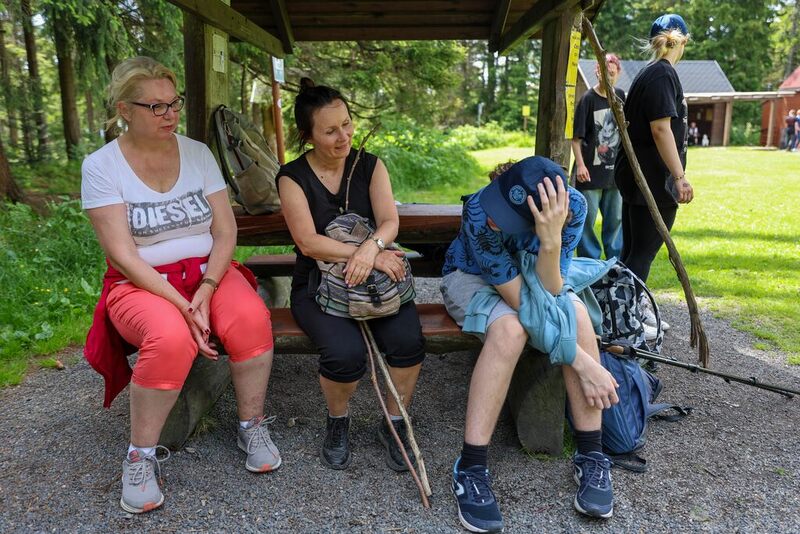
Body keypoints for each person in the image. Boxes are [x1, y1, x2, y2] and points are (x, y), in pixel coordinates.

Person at [81, 57, 279, 514]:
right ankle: (140, 456)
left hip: (209, 271)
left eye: (174, 104)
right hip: (142, 283)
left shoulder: (197, 153)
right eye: (155, 106)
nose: (170, 114)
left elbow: (226, 231)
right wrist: (183, 305)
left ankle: (252, 424)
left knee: (251, 318)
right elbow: (125, 256)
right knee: (169, 337)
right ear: (124, 110)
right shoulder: (102, 166)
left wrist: (207, 289)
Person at [440, 156, 621, 532]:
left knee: (579, 317)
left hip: (538, 270)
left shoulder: (573, 210)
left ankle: (591, 456)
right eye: (496, 208)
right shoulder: (478, 210)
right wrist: (585, 363)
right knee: (510, 330)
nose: (493, 220)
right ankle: (470, 467)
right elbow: (523, 304)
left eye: (504, 218)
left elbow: (552, 288)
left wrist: (551, 240)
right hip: (472, 278)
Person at [276, 79, 425, 471]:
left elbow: (390, 221)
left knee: (408, 343)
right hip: (318, 284)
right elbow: (308, 243)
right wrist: (367, 254)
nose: (343, 136)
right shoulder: (292, 177)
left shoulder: (370, 165)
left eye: (346, 124)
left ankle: (394, 422)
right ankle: (338, 421)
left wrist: (372, 250)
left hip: (379, 281)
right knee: (345, 355)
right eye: (329, 130)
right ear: (307, 135)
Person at [615, 14, 695, 334]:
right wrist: (679, 177)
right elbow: (661, 129)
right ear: (683, 41)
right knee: (642, 254)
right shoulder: (663, 75)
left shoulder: (649, 74)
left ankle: (619, 308)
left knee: (632, 251)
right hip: (653, 180)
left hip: (637, 176)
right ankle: (625, 319)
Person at [571, 53, 626, 261]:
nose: (608, 76)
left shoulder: (621, 97)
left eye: (612, 73)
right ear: (597, 73)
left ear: (618, 73)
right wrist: (581, 167)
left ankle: (615, 263)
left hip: (614, 175)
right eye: (604, 72)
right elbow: (576, 139)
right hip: (590, 175)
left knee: (616, 221)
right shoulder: (587, 99)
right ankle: (589, 262)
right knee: (587, 221)